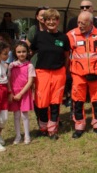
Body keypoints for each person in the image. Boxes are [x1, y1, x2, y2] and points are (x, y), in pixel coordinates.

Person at [67, 11, 97, 138]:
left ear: (91, 23)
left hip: (96, 74)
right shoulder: (71, 35)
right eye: (78, 22)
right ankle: (79, 126)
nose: (80, 25)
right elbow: (65, 54)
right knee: (78, 101)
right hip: (78, 74)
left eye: (83, 23)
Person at [30, 9, 70, 140]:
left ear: (58, 21)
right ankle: (43, 128)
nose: (51, 22)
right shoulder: (39, 36)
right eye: (48, 19)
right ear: (44, 21)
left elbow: (66, 56)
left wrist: (64, 70)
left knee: (55, 102)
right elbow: (32, 52)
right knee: (41, 103)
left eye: (54, 19)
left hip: (59, 73)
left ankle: (52, 130)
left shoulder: (63, 37)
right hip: (42, 73)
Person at [8, 41, 35, 145]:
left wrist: (21, 94)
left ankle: (27, 135)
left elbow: (30, 81)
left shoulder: (30, 66)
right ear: (15, 53)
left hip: (24, 93)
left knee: (24, 115)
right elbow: (8, 80)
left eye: (23, 51)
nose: (21, 54)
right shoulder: (11, 66)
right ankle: (18, 135)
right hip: (14, 93)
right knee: (16, 115)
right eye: (19, 52)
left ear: (27, 52)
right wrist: (11, 92)